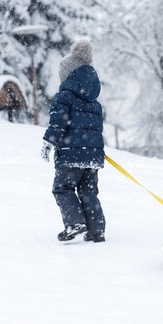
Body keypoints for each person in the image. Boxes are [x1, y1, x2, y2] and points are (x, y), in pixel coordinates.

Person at [41, 39, 106, 242]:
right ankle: (96, 230)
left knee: (63, 188)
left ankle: (75, 222)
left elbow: (57, 123)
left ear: (68, 76)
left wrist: (48, 142)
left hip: (70, 155)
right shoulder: (94, 101)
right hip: (92, 157)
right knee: (89, 192)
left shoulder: (63, 97)